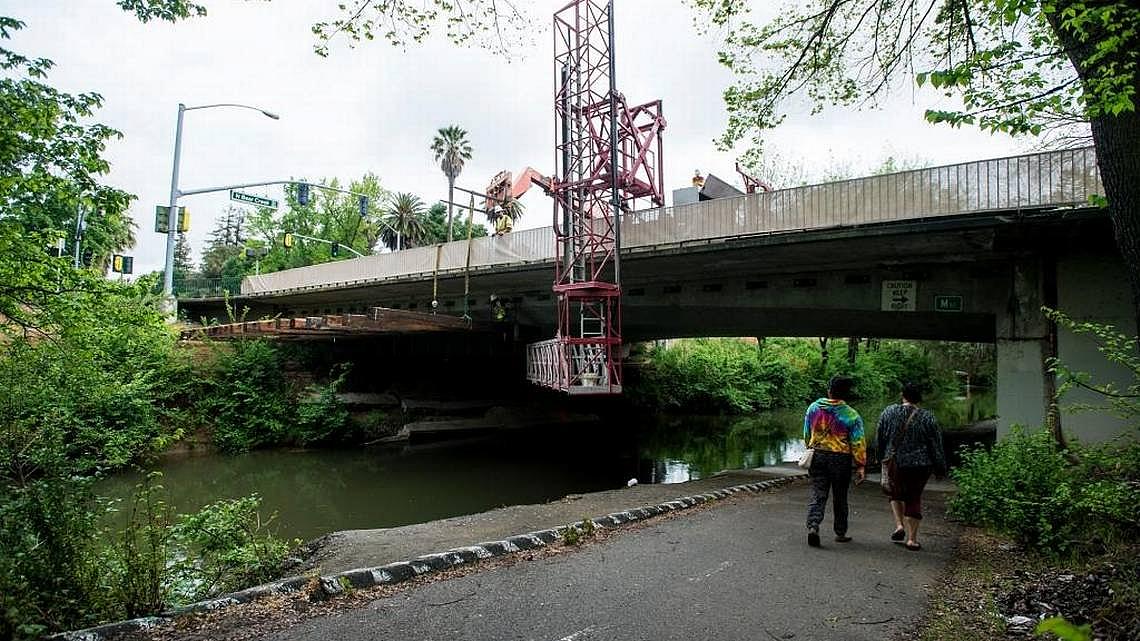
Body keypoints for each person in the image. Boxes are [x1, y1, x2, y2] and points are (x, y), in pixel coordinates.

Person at [875, 383, 946, 551]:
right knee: (913, 497)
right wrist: (940, 467)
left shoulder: (889, 412)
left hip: (895, 461)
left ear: (903, 395)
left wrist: (879, 458)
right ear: (919, 398)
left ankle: (899, 525)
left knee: (895, 492)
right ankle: (912, 539)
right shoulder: (928, 417)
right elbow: (936, 444)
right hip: (921, 465)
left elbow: (880, 437)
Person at [804, 375, 866, 548]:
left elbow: (807, 434)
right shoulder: (851, 415)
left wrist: (810, 448)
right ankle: (840, 532)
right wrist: (860, 465)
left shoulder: (814, 408)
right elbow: (858, 443)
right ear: (846, 393)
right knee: (840, 496)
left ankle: (813, 526)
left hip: (818, 456)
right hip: (841, 459)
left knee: (819, 493)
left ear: (829, 389)